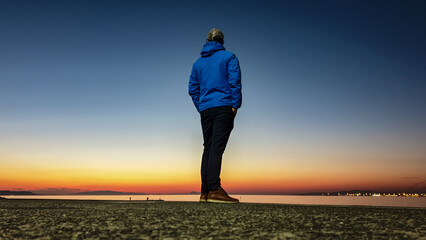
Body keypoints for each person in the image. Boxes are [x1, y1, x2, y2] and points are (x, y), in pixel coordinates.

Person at [188, 28, 242, 203]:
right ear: (222, 41)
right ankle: (213, 189)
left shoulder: (197, 64)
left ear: (207, 41)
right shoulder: (229, 57)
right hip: (223, 107)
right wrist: (235, 106)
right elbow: (234, 82)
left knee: (208, 148)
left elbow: (192, 89)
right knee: (217, 148)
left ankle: (204, 192)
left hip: (206, 110)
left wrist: (201, 106)